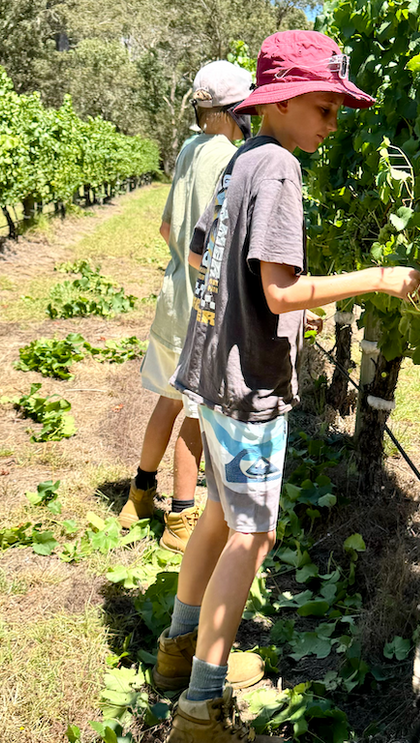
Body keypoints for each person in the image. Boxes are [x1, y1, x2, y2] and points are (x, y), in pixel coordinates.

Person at [155, 30, 420, 742]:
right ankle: (201, 708)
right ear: (280, 101)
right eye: (324, 106)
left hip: (211, 366)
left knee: (219, 513)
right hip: (247, 385)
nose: (333, 124)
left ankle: (178, 653)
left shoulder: (242, 157)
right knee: (254, 533)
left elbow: (208, 258)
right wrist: (380, 278)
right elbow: (280, 293)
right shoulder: (277, 167)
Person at [119, 60, 254, 554]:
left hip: (173, 293)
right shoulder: (233, 159)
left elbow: (165, 228)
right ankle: (180, 520)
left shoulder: (187, 149)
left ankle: (138, 496)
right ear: (233, 109)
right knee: (199, 414)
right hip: (205, 302)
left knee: (168, 399)